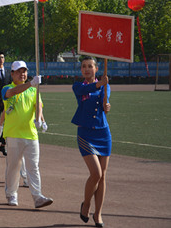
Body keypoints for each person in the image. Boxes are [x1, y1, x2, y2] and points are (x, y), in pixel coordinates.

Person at [0, 60, 53, 208]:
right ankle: (11, 194)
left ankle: (37, 196)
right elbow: (12, 93)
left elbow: (38, 105)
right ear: (12, 73)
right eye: (19, 71)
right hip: (14, 134)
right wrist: (0, 126)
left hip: (31, 134)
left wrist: (39, 119)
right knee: (14, 166)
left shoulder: (34, 90)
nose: (23, 74)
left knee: (33, 167)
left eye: (25, 71)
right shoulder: (6, 88)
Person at [73, 56, 111, 227]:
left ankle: (98, 214)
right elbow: (85, 90)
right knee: (96, 173)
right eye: (84, 66)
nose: (87, 69)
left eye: (90, 66)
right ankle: (86, 204)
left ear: (96, 68)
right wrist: (100, 84)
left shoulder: (105, 86)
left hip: (103, 133)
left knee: (103, 176)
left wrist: (106, 105)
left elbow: (105, 103)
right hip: (85, 134)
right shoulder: (78, 86)